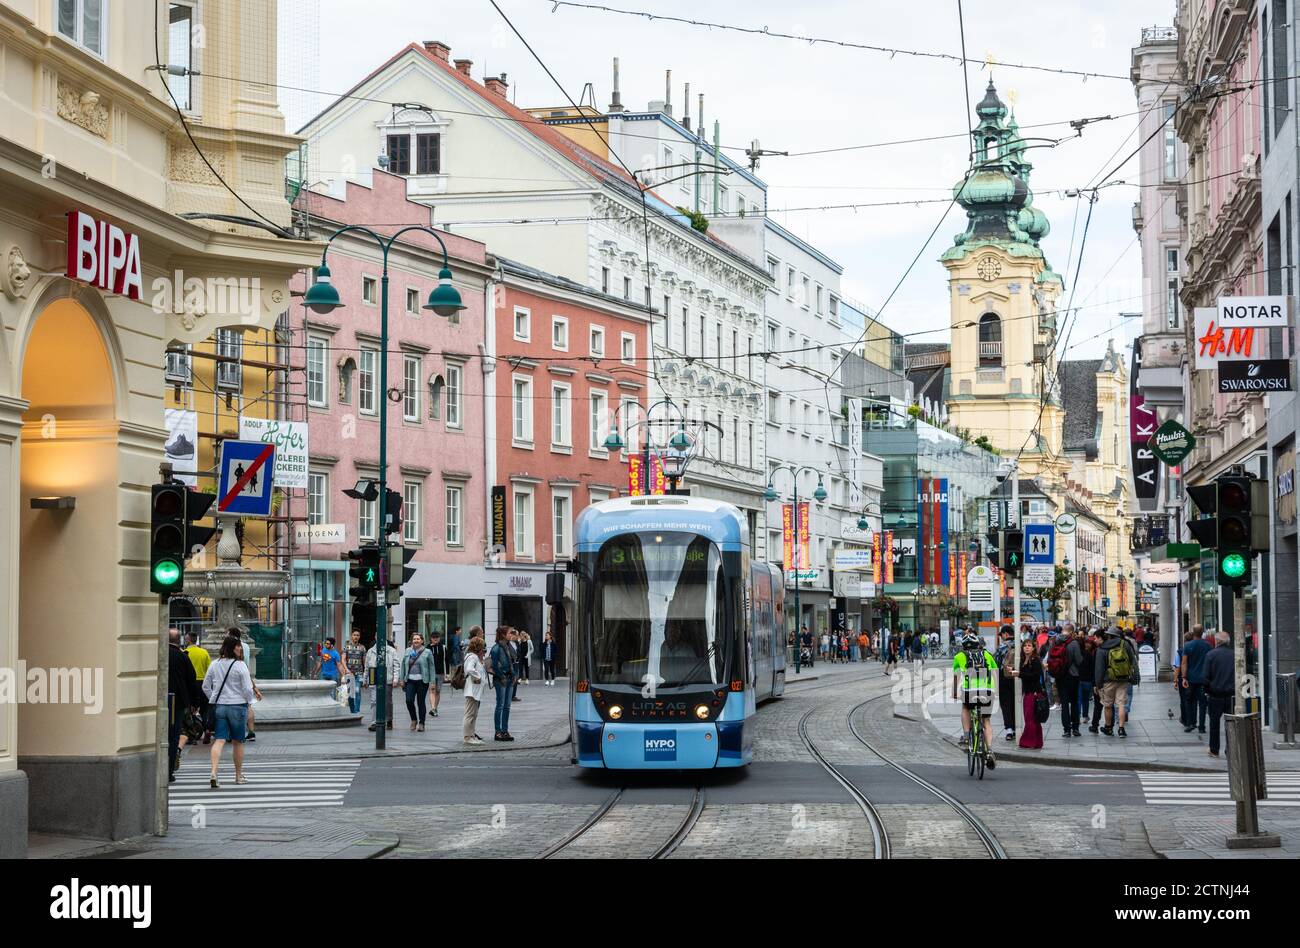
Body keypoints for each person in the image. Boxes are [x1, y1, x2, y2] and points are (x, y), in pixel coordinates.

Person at [201, 632, 256, 789]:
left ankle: (213, 772)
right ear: (233, 648)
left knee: (219, 740)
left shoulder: (215, 664)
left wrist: (214, 698)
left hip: (220, 706)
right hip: (237, 706)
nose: (240, 648)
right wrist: (249, 701)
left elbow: (205, 686)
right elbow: (247, 688)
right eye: (238, 646)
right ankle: (238, 776)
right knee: (238, 742)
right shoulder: (240, 665)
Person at [951, 631, 996, 769]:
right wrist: (997, 691)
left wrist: (954, 693)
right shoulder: (987, 654)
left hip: (969, 691)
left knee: (965, 708)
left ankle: (966, 736)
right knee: (986, 721)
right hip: (987, 691)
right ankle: (989, 751)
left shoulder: (959, 656)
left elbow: (956, 676)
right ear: (978, 645)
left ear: (963, 646)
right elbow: (994, 672)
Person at [166, 628, 199, 781]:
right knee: (173, 736)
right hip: (177, 703)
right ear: (179, 640)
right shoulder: (183, 657)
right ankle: (169, 770)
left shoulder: (160, 654)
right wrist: (194, 703)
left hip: (160, 700)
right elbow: (192, 681)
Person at [1094, 626, 1139, 737]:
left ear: (1109, 635)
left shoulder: (1102, 648)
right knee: (1121, 705)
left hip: (1107, 680)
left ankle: (1108, 727)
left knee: (1108, 705)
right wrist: (1136, 675)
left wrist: (1098, 684)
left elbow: (1099, 668)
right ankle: (1121, 729)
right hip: (1123, 679)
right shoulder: (1125, 644)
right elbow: (1133, 661)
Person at [1202, 631, 1234, 758]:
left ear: (1217, 641)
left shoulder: (1211, 655)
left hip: (1215, 695)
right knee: (1231, 724)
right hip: (1231, 695)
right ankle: (1230, 749)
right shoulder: (1234, 655)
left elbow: (1205, 677)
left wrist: (1208, 691)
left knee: (1214, 724)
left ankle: (1214, 750)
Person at [1009, 637, 1045, 749]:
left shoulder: (1035, 660)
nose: (1027, 648)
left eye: (1029, 646)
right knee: (1033, 719)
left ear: (1034, 648)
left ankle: (1029, 741)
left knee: (1030, 718)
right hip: (1029, 692)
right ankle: (1037, 742)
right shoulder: (1024, 659)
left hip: (1033, 693)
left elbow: (1035, 676)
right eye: (1025, 646)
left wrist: (1018, 674)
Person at [1181, 625, 1212, 735]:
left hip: (1191, 678)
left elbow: (1184, 662)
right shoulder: (1208, 645)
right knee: (1203, 703)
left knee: (1189, 701)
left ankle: (1191, 723)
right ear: (1202, 632)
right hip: (1203, 678)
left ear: (1193, 632)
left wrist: (1184, 677)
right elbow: (1210, 661)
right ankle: (1202, 726)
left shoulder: (1188, 645)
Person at [365, 635, 400, 731]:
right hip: (373, 677)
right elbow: (367, 667)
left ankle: (389, 719)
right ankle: (374, 722)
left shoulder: (391, 650)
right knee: (374, 701)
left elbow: (396, 665)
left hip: (387, 678)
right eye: (377, 636)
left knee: (387, 701)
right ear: (375, 637)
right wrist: (365, 679)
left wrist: (395, 679)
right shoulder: (370, 651)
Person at [184, 630, 213, 744]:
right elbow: (209, 669)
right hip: (203, 683)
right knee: (204, 709)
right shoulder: (204, 652)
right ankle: (206, 730)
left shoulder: (185, 652)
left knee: (190, 709)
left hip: (190, 684)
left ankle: (191, 734)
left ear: (188, 640)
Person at [490, 627, 516, 741]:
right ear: (503, 634)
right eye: (510, 633)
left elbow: (514, 659)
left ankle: (505, 730)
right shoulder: (496, 648)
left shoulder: (509, 646)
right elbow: (495, 666)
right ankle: (498, 732)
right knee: (500, 705)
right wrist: (502, 676)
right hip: (500, 679)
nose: (512, 635)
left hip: (510, 679)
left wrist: (514, 675)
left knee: (507, 706)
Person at [462, 636, 488, 744]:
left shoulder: (473, 656)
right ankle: (468, 737)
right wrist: (478, 676)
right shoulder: (473, 657)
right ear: (478, 646)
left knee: (473, 714)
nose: (484, 648)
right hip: (472, 690)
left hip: (474, 690)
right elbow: (469, 669)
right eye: (482, 646)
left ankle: (471, 735)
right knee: (470, 714)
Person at [994, 625, 1016, 741]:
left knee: (1006, 704)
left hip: (1005, 678)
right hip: (1018, 677)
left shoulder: (1002, 647)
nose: (1002, 637)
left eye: (1002, 635)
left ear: (1006, 634)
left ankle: (1009, 730)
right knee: (1016, 703)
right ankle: (1017, 727)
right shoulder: (1022, 644)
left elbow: (996, 664)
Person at [425, 630, 450, 718]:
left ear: (439, 638)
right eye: (433, 638)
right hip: (431, 673)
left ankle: (435, 708)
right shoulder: (427, 648)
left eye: (437, 637)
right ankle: (432, 708)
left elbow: (446, 660)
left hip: (440, 672)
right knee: (432, 689)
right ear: (431, 639)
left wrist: (447, 673)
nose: (435, 639)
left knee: (438, 691)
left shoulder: (443, 647)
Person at [342, 629, 366, 716]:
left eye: (357, 635)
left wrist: (365, 674)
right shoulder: (346, 647)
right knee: (350, 692)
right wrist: (346, 669)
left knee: (357, 690)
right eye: (354, 635)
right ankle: (352, 710)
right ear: (351, 636)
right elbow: (343, 659)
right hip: (349, 673)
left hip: (359, 673)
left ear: (359, 637)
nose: (356, 636)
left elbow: (364, 661)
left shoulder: (362, 648)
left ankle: (357, 710)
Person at [1077, 633, 1097, 730]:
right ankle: (1085, 716)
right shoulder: (1088, 654)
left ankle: (1077, 716)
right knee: (1085, 699)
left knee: (1078, 699)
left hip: (1077, 679)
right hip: (1088, 680)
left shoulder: (1075, 654)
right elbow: (1092, 668)